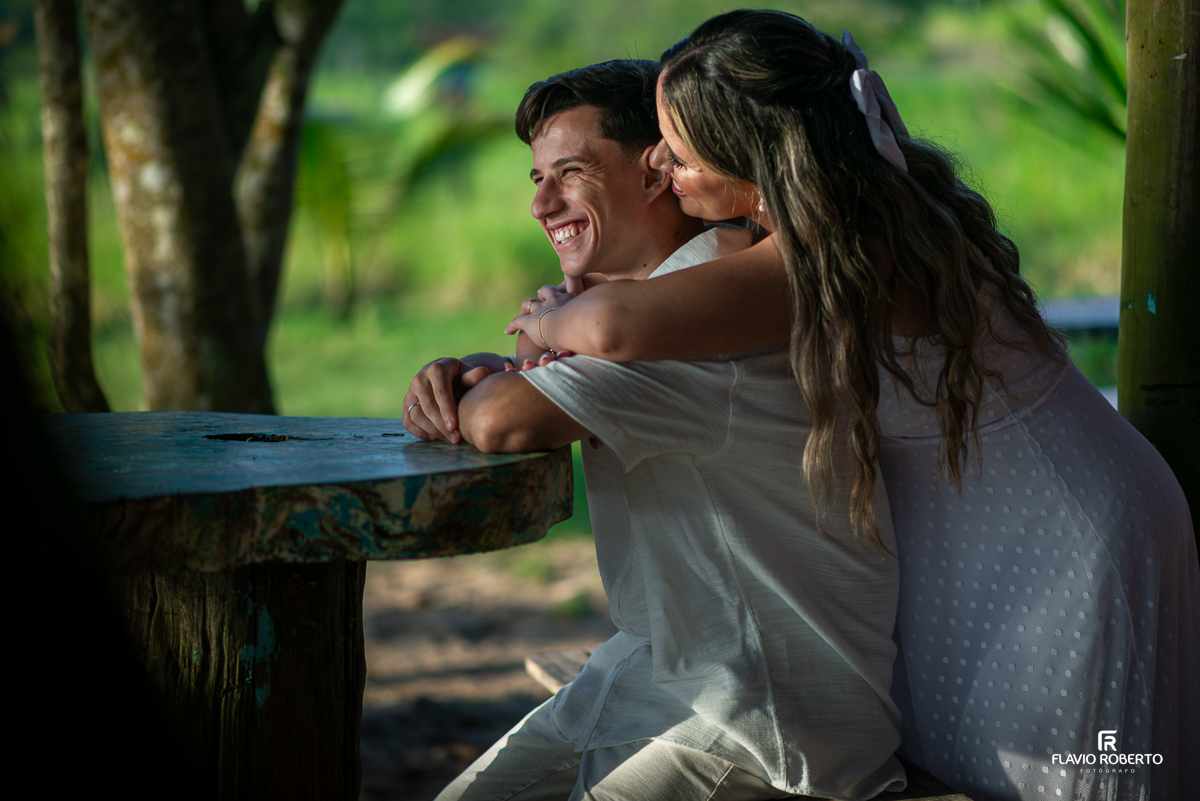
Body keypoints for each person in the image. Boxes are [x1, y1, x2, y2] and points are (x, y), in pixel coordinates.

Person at [505, 10, 1200, 801]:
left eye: (679, 148)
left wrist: (546, 318)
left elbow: (614, 325)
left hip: (1056, 523)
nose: (660, 165)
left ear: (751, 156)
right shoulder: (828, 212)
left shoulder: (832, 246)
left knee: (1072, 768)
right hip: (981, 509)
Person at [405, 59, 907, 800]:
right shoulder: (662, 301)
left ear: (656, 171)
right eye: (536, 178)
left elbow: (505, 422)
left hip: (767, 717)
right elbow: (531, 381)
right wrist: (486, 363)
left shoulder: (701, 318)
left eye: (569, 172)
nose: (542, 203)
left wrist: (502, 375)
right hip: (664, 667)